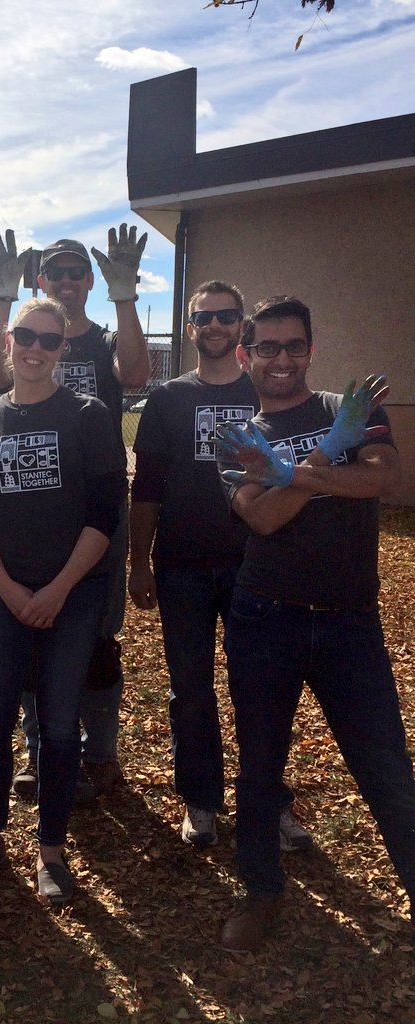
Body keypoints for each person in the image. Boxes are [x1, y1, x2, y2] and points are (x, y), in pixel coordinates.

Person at [214, 294, 415, 951]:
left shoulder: (349, 406)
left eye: (293, 346)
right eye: (266, 347)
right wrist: (332, 454)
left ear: (311, 349)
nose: (281, 359)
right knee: (259, 766)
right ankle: (261, 893)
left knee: (386, 768)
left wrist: (287, 472)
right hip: (264, 618)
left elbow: (382, 481)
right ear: (246, 356)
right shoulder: (234, 438)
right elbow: (263, 520)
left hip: (350, 622)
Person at [0, 298, 125, 905]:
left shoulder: (89, 415)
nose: (34, 348)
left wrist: (56, 590)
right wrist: (8, 589)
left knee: (57, 726)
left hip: (72, 596)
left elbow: (105, 514)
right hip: (5, 593)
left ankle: (51, 852)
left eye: (48, 341)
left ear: (62, 351)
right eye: (25, 336)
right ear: (9, 343)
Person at [129, 281, 312, 852]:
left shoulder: (265, 391)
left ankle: (267, 802)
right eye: (203, 317)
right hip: (181, 565)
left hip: (254, 565)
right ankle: (201, 801)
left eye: (227, 316)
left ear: (242, 329)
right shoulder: (166, 400)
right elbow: (148, 488)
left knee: (259, 687)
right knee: (191, 692)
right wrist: (140, 562)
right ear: (190, 328)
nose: (215, 325)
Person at [0, 225, 149, 803]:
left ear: (90, 281)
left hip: (94, 510)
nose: (68, 280)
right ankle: (42, 750)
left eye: (78, 272)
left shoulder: (102, 338)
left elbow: (139, 376)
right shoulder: (25, 335)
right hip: (33, 507)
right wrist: (0, 300)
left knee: (97, 630)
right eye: (57, 272)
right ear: (39, 279)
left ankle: (99, 751)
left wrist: (125, 299)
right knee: (32, 625)